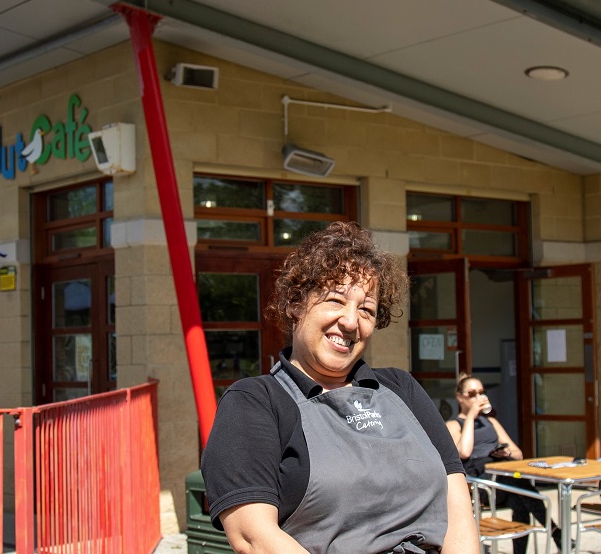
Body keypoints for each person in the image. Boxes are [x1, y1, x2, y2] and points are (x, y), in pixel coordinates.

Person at [202, 222, 479, 554]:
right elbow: (255, 538)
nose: (350, 321)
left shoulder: (401, 388)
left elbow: (457, 499)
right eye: (335, 300)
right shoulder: (256, 402)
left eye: (366, 309)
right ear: (296, 305)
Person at [446, 375, 560, 552]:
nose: (478, 397)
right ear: (460, 397)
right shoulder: (454, 425)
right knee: (520, 484)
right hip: (480, 483)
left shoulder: (491, 422)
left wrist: (505, 452)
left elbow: (518, 454)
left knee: (520, 500)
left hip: (503, 477)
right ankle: (555, 532)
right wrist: (471, 416)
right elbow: (464, 452)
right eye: (472, 394)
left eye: (481, 393)